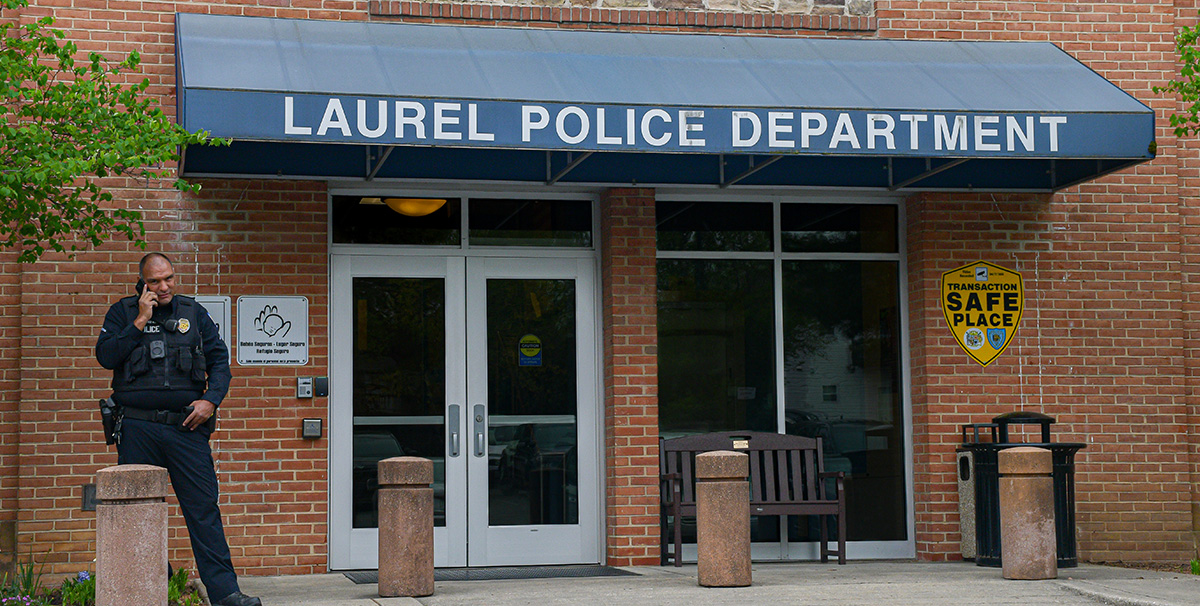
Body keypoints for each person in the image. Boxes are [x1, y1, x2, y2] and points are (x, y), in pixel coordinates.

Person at [95, 253, 262, 606]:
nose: (164, 286)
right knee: (135, 509)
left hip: (187, 427)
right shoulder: (123, 312)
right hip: (137, 425)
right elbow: (107, 357)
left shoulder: (193, 313)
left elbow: (220, 362)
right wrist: (141, 318)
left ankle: (226, 593)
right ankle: (148, 582)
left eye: (168, 278)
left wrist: (211, 400)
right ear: (142, 283)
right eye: (155, 281)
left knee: (203, 510)